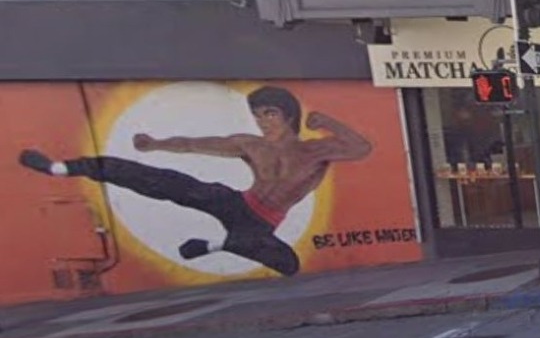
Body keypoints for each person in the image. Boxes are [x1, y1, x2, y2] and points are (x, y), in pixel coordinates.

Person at [18, 85, 371, 276]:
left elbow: (361, 148)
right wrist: (155, 144)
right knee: (167, 183)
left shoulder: (315, 152)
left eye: (270, 114)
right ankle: (63, 168)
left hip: (261, 225)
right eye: (258, 115)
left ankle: (220, 246)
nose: (263, 122)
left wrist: (328, 121)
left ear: (289, 116)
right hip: (237, 203)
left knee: (288, 265)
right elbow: (195, 144)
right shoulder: (250, 145)